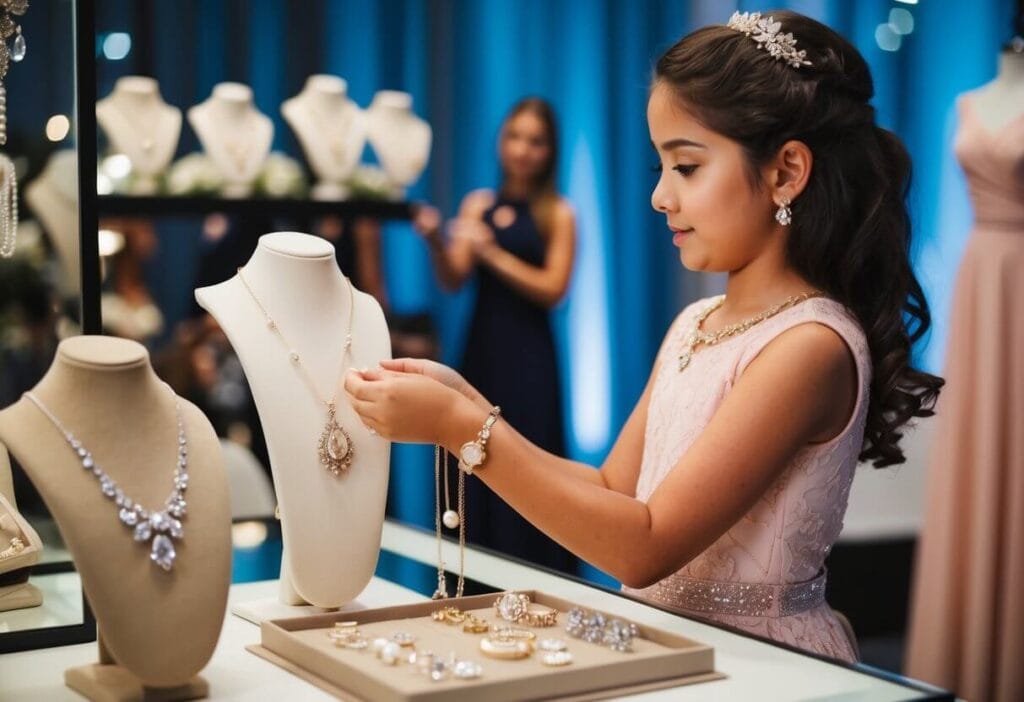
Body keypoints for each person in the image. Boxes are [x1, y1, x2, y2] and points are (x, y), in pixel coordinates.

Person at [344, 11, 943, 661]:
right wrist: (465, 402)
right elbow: (609, 490)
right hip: (667, 647)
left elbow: (645, 545)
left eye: (686, 167)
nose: (660, 197)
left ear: (785, 173)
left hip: (761, 662)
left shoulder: (809, 347)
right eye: (660, 167)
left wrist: (461, 429)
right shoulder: (695, 323)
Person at [411, 98, 578, 574]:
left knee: (528, 453)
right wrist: (434, 241)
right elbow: (454, 277)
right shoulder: (479, 203)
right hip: (482, 348)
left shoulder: (558, 213)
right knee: (474, 451)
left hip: (530, 356)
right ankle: (471, 573)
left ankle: (537, 571)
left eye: (535, 140)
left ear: (550, 151)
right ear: (501, 141)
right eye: (515, 136)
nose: (523, 149)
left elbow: (554, 288)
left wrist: (492, 253)